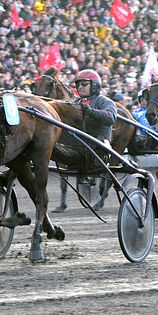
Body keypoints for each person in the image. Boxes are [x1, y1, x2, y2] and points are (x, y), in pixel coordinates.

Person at [53, 69, 117, 212]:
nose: (80, 86)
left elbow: (111, 118)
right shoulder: (74, 102)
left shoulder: (104, 101)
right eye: (78, 84)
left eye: (84, 83)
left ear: (94, 85)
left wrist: (90, 111)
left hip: (96, 152)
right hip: (76, 149)